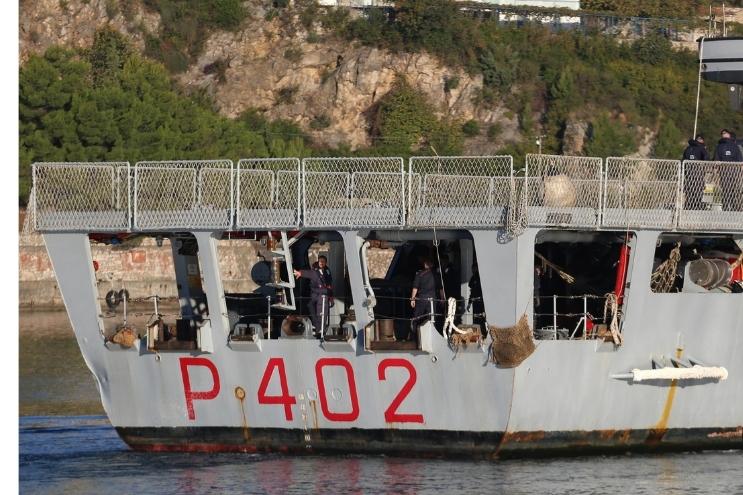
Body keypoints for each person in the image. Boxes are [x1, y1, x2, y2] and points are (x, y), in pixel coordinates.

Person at [294, 255, 333, 336]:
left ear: (325, 263)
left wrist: (331, 298)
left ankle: (320, 329)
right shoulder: (315, 271)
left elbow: (329, 285)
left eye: (323, 261)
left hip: (324, 295)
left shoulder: (327, 271)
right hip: (315, 294)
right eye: (320, 261)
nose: (321, 263)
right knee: (311, 307)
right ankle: (317, 327)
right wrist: (300, 273)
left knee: (322, 312)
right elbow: (309, 273)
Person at [409, 258, 442, 337]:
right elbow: (441, 288)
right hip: (433, 299)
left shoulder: (420, 274)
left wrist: (413, 298)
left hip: (422, 299)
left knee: (417, 317)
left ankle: (414, 335)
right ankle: (432, 335)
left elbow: (415, 288)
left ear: (425, 265)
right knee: (432, 318)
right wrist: (442, 299)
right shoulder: (436, 275)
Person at [713, 129, 743, 211]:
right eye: (722, 133)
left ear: (729, 135)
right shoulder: (719, 146)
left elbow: (739, 159)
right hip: (724, 171)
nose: (724, 134)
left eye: (725, 133)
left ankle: (733, 207)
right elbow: (716, 159)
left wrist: (740, 170)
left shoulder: (735, 146)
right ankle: (726, 207)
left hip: (734, 171)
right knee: (726, 189)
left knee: (734, 190)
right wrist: (715, 169)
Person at [681, 134, 708, 210]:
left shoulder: (688, 148)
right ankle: (697, 207)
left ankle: (688, 207)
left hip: (688, 173)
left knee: (689, 192)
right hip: (698, 173)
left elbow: (683, 159)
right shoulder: (701, 148)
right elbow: (706, 158)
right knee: (698, 192)